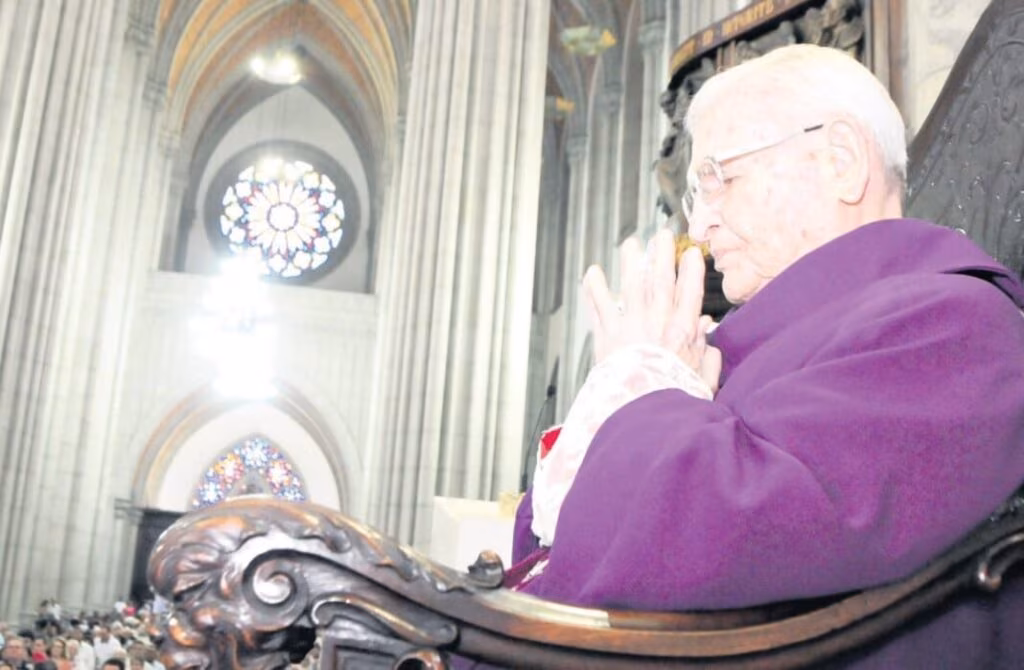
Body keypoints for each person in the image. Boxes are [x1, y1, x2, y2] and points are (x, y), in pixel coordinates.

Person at [510, 43, 1024, 668]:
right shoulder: (756, 339)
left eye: (718, 180)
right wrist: (628, 397)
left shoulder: (951, 328)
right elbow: (552, 554)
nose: (698, 230)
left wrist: (645, 390)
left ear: (841, 160)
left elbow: (710, 542)